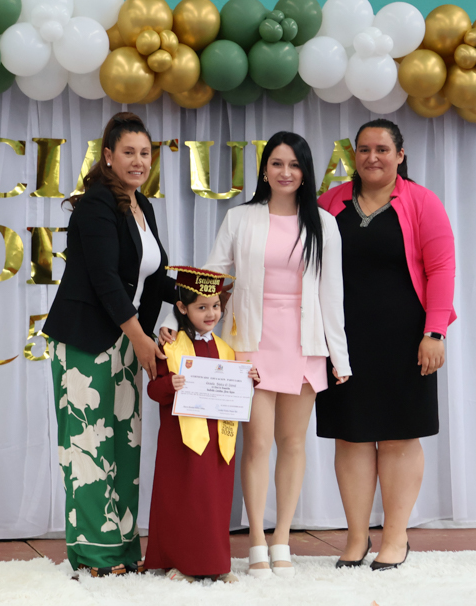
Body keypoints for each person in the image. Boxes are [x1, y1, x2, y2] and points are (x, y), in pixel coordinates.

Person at [161, 132, 351, 578]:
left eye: (295, 165)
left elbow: (332, 295)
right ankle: (257, 541)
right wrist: (173, 321)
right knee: (258, 443)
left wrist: (339, 358)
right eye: (277, 163)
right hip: (250, 342)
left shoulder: (324, 224)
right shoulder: (240, 218)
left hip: (304, 343)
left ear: (305, 172)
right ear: (264, 169)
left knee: (293, 443)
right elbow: (210, 277)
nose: (286, 172)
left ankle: (282, 538)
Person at [316, 118, 456, 570]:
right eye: (363, 149)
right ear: (353, 155)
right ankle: (356, 538)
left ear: (400, 155)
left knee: (398, 437)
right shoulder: (329, 203)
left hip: (406, 339)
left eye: (381, 149)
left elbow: (442, 268)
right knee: (351, 437)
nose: (372, 157)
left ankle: (395, 537)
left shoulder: (422, 201)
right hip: (342, 341)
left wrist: (435, 332)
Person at [43, 112, 177, 578]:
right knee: (87, 447)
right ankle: (94, 556)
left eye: (145, 153)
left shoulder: (143, 206)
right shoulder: (96, 204)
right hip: (87, 340)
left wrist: (196, 295)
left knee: (123, 444)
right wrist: (141, 338)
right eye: (128, 153)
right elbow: (104, 279)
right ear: (108, 156)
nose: (138, 161)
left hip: (125, 339)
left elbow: (153, 277)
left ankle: (122, 548)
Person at [145, 266, 259, 584]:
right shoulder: (169, 347)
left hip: (217, 440)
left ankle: (218, 564)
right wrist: (170, 385)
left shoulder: (226, 349)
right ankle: (181, 563)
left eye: (216, 306)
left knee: (215, 503)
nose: (211, 314)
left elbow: (235, 391)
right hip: (180, 441)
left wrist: (250, 379)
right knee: (184, 501)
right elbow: (153, 389)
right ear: (182, 308)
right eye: (202, 307)